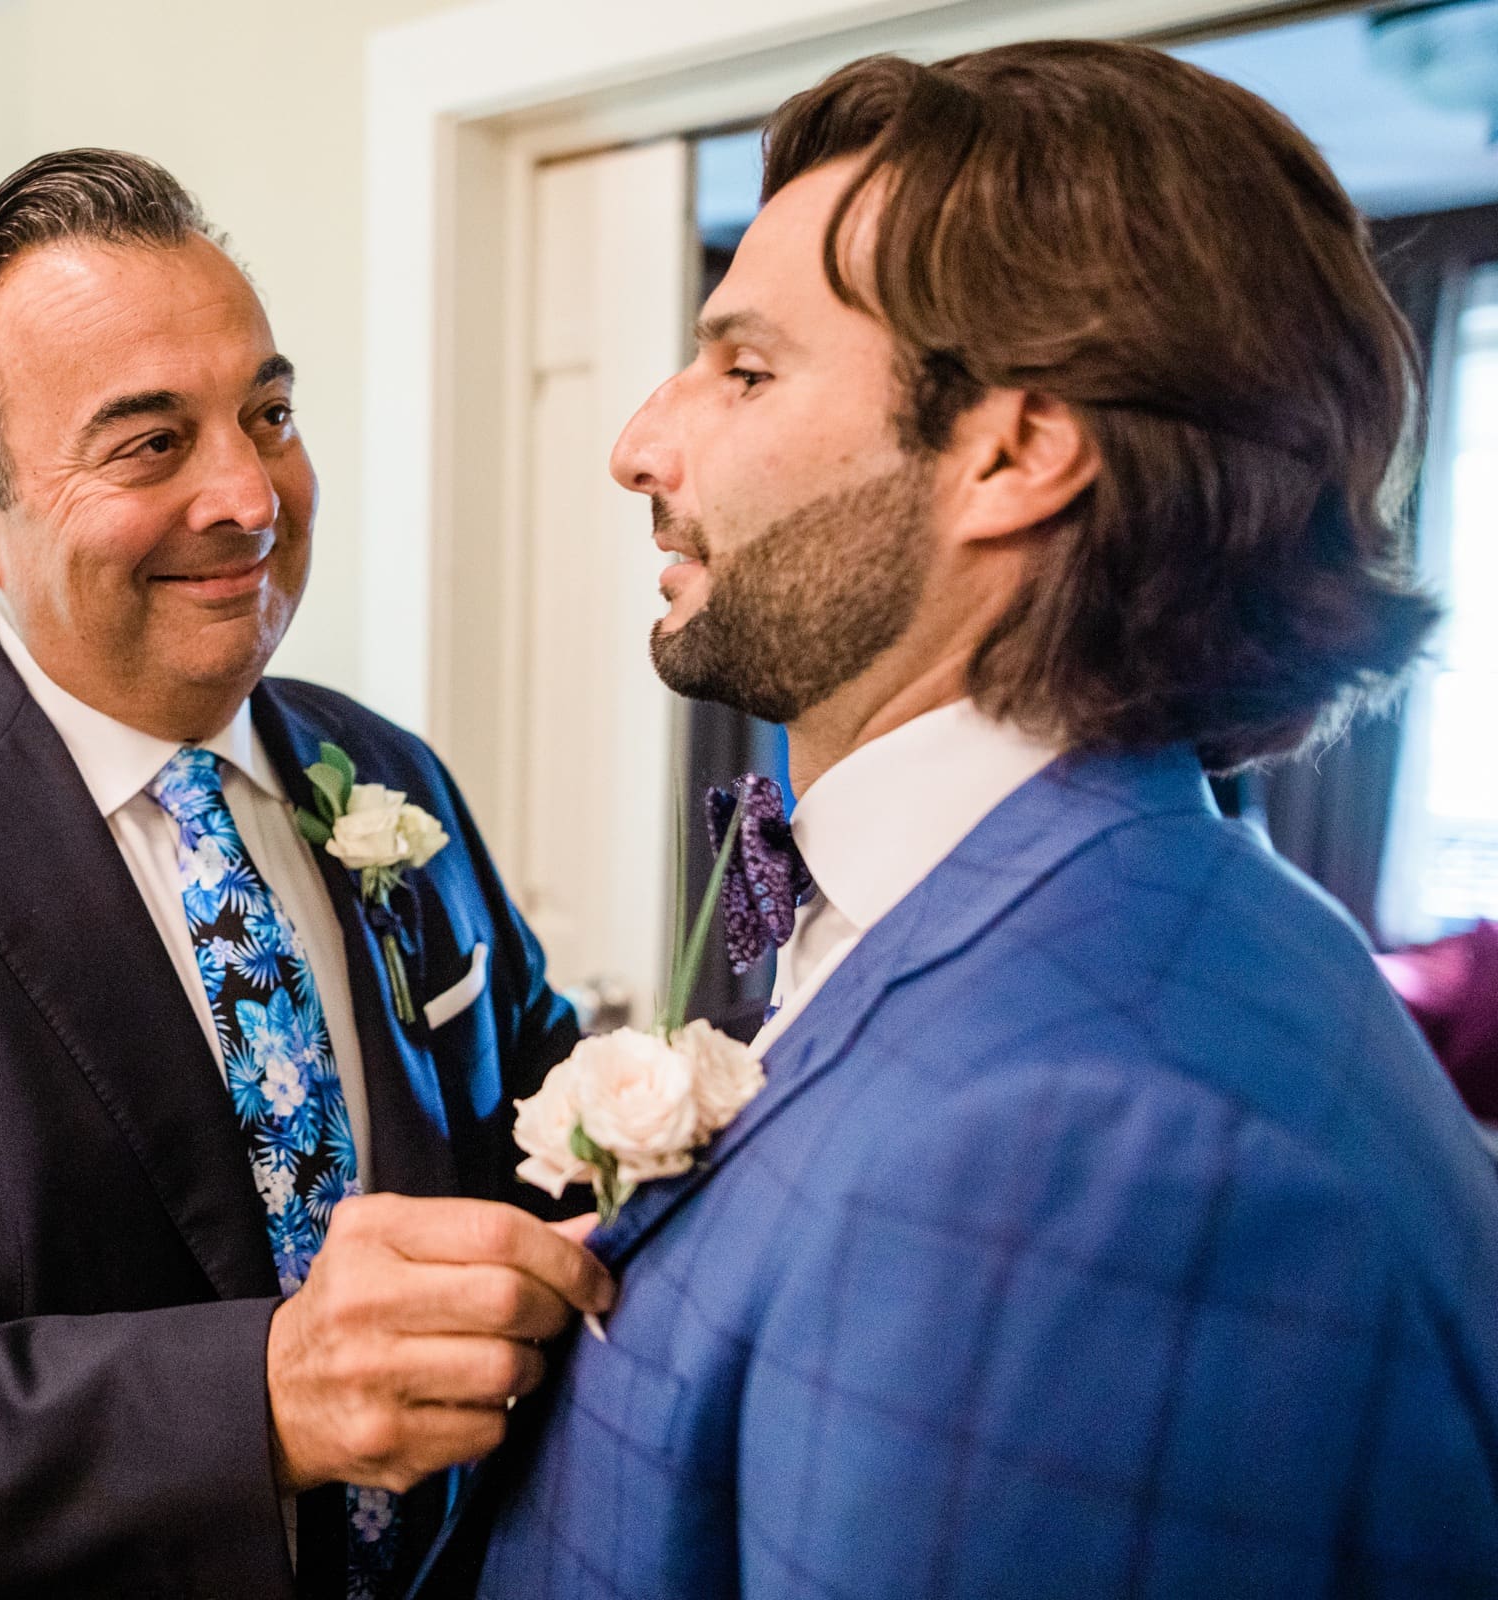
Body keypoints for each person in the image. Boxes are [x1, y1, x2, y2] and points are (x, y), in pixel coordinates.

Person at [420, 41, 1498, 1598]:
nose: (640, 443)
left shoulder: (1094, 1151)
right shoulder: (971, 902)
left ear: (1014, 452)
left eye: (746, 370)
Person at [0, 149, 611, 1600]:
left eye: (269, 416)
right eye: (151, 444)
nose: (250, 496)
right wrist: (265, 1395)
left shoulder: (386, 769)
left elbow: (539, 1127)